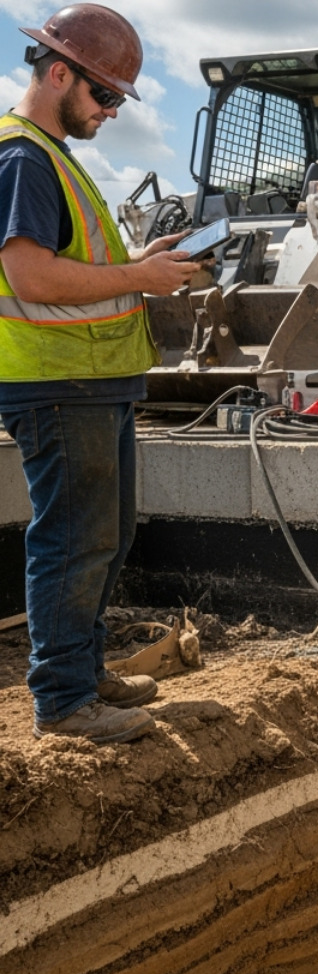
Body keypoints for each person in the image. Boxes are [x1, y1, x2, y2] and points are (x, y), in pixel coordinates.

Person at [0, 4, 203, 743]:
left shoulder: (52, 157)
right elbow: (31, 278)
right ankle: (62, 701)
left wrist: (143, 262)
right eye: (106, 94)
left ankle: (82, 673)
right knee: (74, 541)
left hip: (92, 381)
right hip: (57, 384)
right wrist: (141, 278)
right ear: (59, 74)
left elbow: (77, 265)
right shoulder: (23, 159)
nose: (113, 111)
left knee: (107, 536)